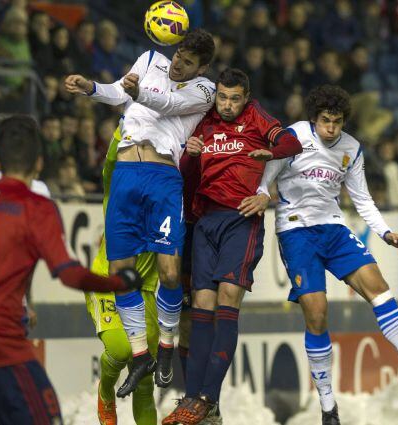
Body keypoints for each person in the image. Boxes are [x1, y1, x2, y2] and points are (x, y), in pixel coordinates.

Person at [0, 116, 142, 425]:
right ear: (38, 163)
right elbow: (67, 273)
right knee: (47, 417)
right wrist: (118, 281)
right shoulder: (36, 206)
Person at [241, 85, 398, 425]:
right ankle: (327, 405)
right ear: (314, 118)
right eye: (325, 121)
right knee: (318, 313)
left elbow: (362, 198)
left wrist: (385, 232)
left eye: (337, 122)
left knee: (378, 289)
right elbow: (268, 177)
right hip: (296, 232)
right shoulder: (294, 136)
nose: (332, 129)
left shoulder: (351, 148)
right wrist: (263, 194)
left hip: (334, 229)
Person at [64, 28, 216, 395]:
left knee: (169, 272)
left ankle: (166, 346)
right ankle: (139, 355)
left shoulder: (205, 91)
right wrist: (91, 88)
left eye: (189, 62)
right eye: (179, 55)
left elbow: (169, 106)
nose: (179, 63)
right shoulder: (150, 60)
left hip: (163, 178)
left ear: (202, 68)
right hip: (126, 173)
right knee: (120, 272)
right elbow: (119, 92)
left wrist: (138, 92)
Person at [162, 68, 302, 425]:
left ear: (246, 97)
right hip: (204, 221)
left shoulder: (256, 117)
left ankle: (208, 397)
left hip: (241, 219)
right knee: (200, 309)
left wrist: (269, 161)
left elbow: (291, 142)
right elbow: (186, 176)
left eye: (234, 98)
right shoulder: (204, 121)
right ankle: (192, 399)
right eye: (222, 97)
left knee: (227, 297)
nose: (227, 105)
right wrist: (190, 154)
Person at [85, 123, 159, 425]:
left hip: (144, 291)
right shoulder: (115, 190)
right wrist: (125, 124)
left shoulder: (165, 197)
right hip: (107, 281)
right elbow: (112, 162)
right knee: (120, 347)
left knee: (144, 381)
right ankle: (105, 394)